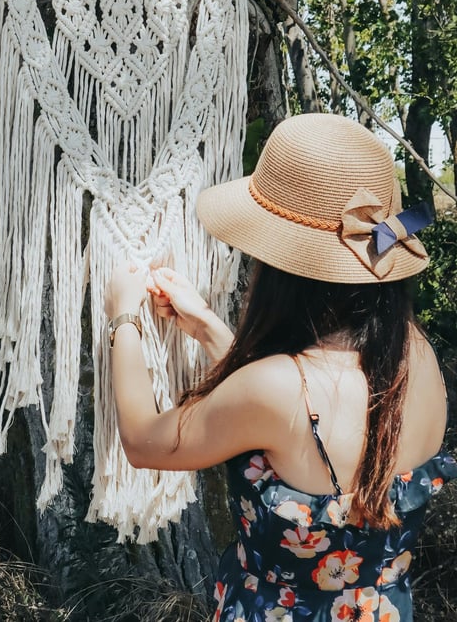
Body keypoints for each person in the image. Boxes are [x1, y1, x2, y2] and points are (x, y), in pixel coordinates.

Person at [105, 113, 456, 622]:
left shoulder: (278, 390)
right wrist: (205, 327)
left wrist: (122, 315)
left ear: (284, 269)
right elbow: (294, 417)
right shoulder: (415, 354)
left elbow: (143, 440)